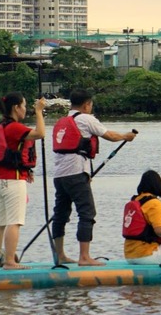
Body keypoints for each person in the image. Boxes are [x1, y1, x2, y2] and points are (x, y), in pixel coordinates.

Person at [51, 88, 137, 266]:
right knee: (87, 213)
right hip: (75, 173)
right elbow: (110, 136)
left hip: (59, 176)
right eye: (91, 104)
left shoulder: (61, 121)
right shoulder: (86, 118)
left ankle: (60, 255)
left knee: (60, 214)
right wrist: (125, 137)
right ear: (86, 105)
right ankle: (84, 257)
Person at [0, 92, 46, 270]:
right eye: (24, 105)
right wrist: (39, 112)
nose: (25, 109)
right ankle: (10, 262)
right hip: (12, 182)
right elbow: (40, 133)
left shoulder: (0, 127)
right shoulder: (14, 127)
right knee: (15, 222)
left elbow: (13, 153)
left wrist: (25, 169)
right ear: (16, 108)